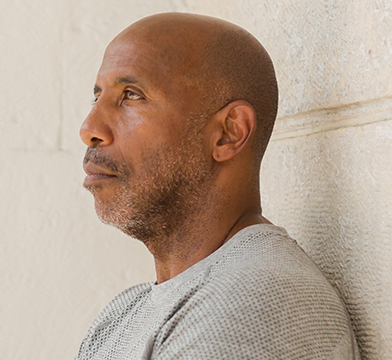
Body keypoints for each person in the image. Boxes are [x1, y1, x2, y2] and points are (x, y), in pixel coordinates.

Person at [76, 12, 360, 360]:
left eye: (131, 95)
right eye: (97, 96)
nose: (90, 127)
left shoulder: (256, 302)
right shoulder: (124, 312)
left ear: (229, 132)